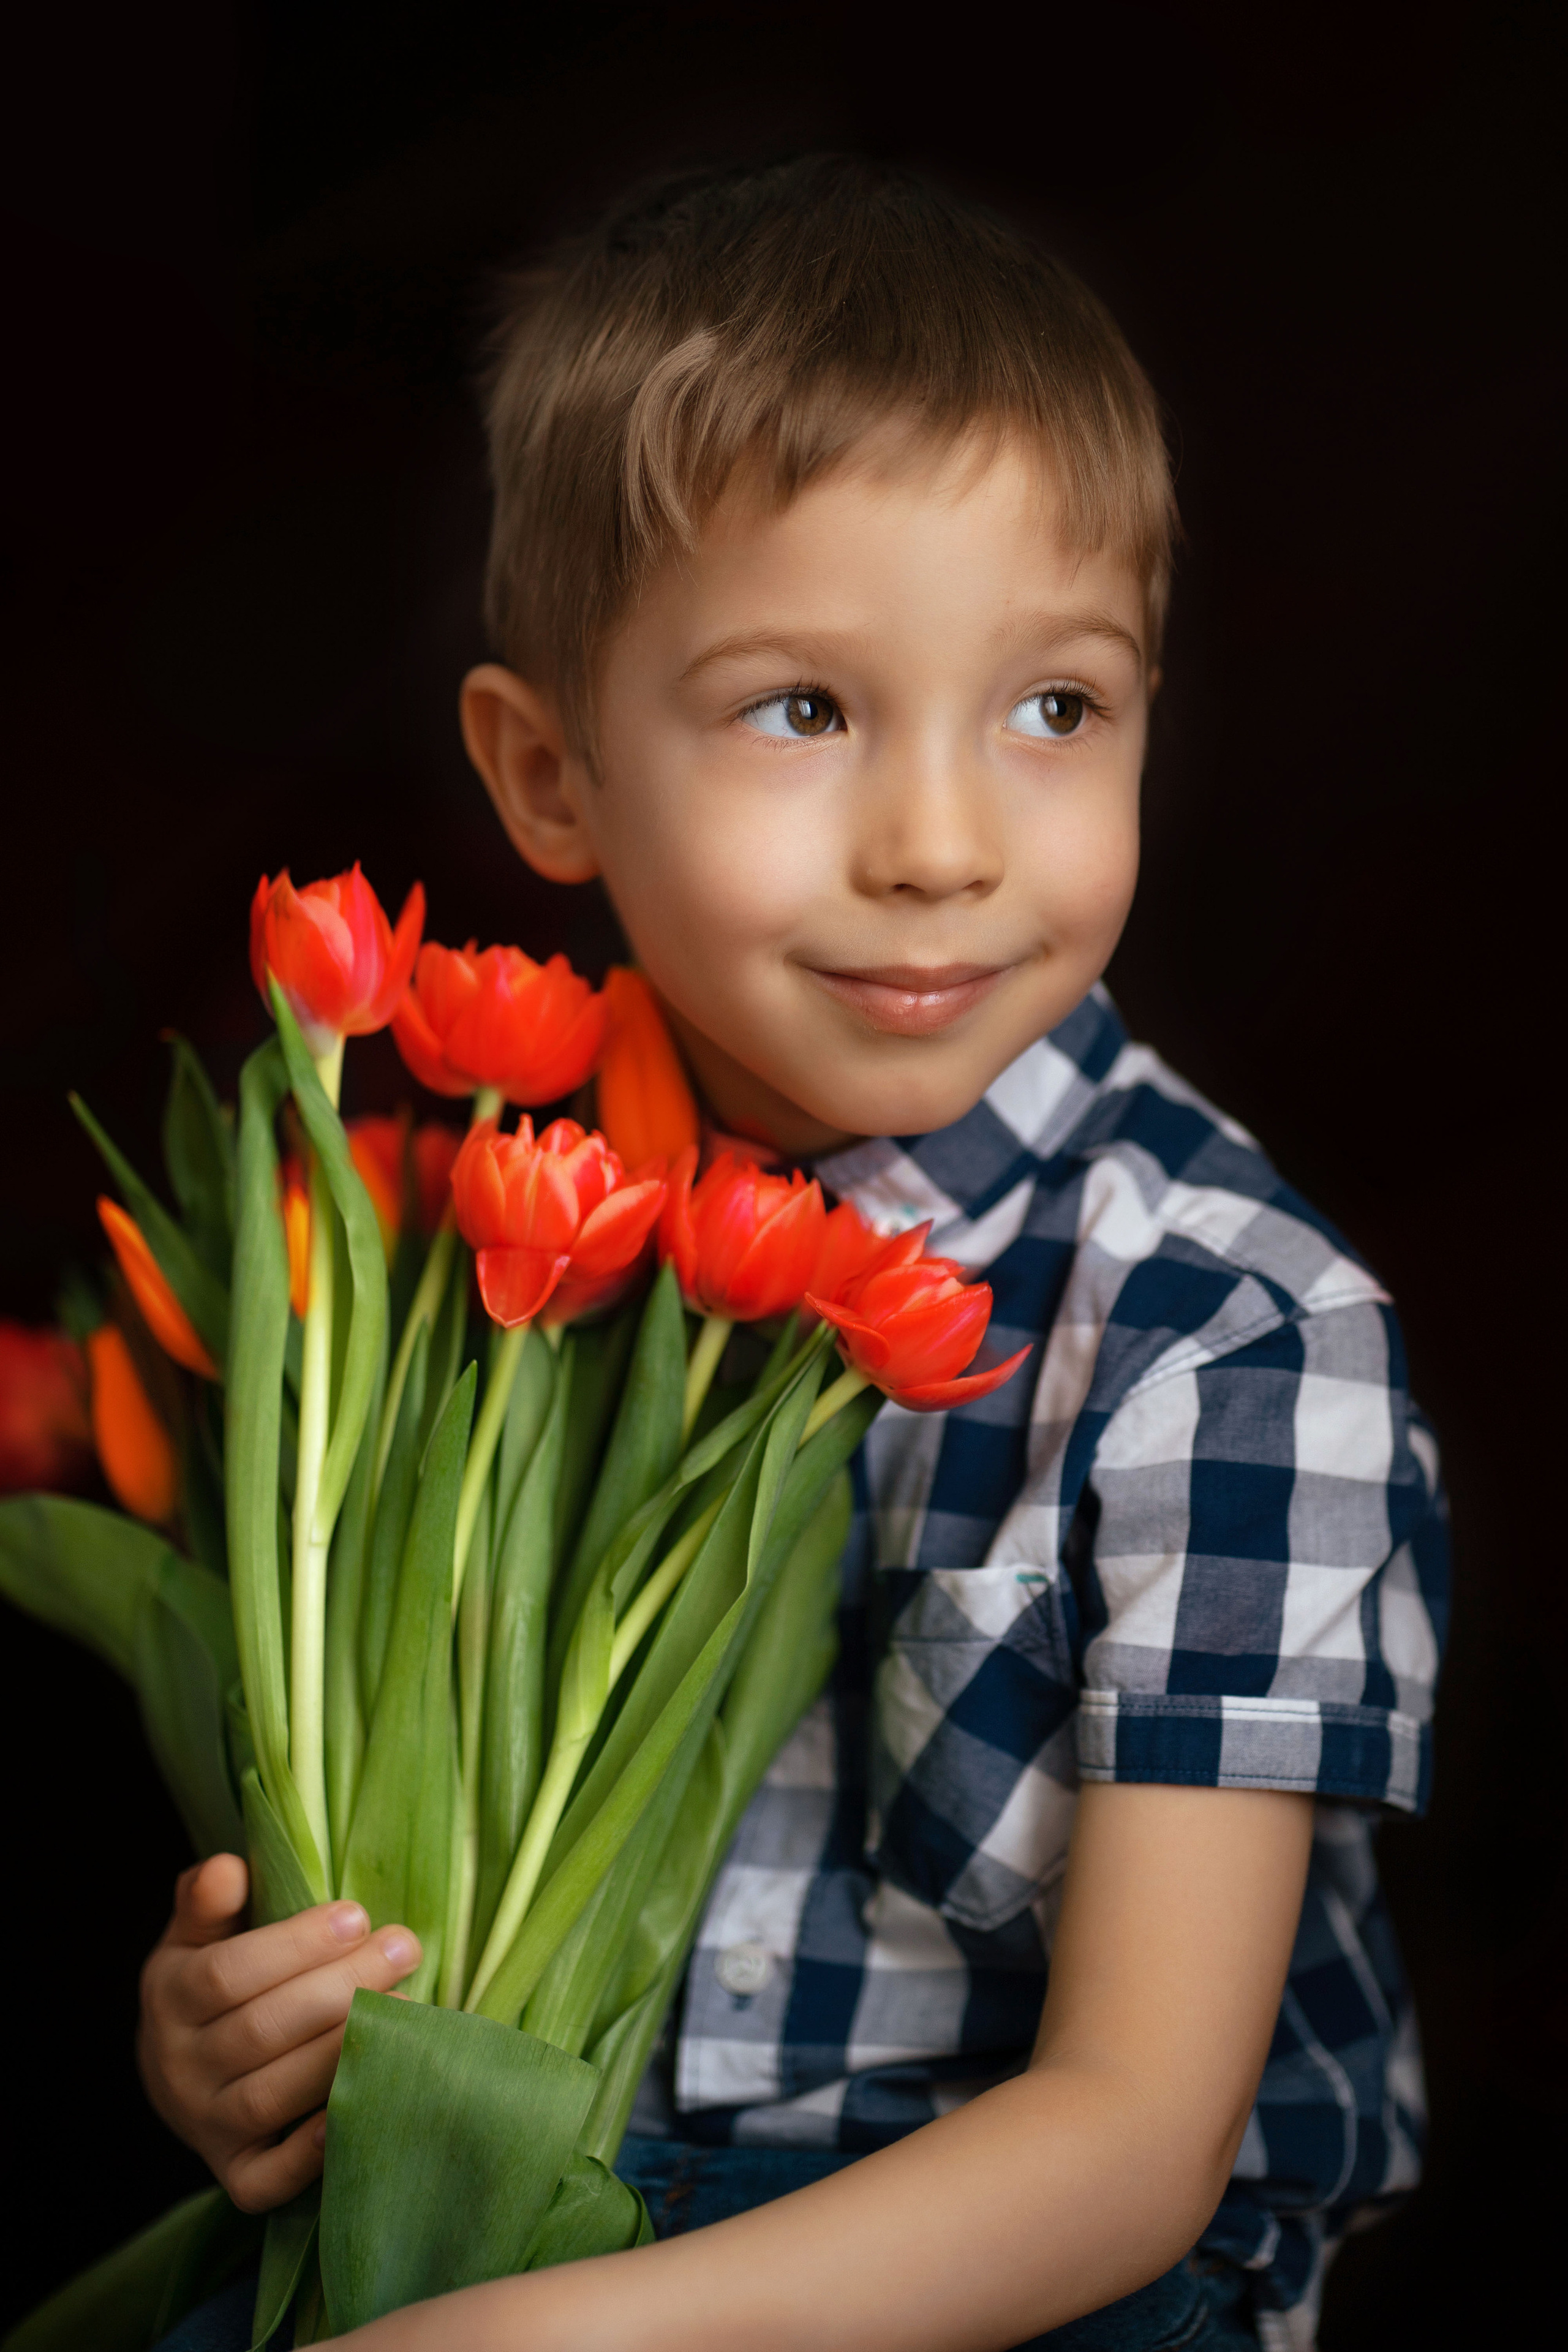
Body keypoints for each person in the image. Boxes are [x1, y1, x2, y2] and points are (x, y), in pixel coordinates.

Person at [140, 157, 1446, 2352]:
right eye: (805, 710)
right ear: (549, 775)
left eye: (1056, 708)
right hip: (551, 2183)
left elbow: (1137, 2140)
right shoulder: (480, 1245)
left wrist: (556, 2342)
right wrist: (231, 2037)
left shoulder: (1230, 1326)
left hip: (1056, 2259)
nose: (942, 846)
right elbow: (422, 1912)